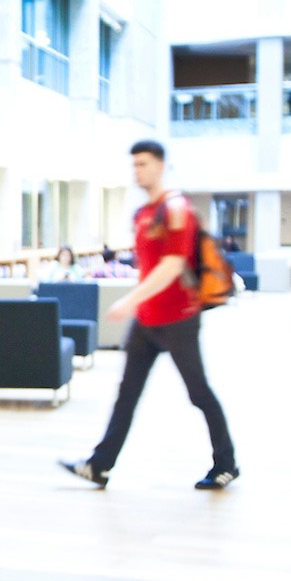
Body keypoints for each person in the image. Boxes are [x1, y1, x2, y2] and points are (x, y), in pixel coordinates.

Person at [60, 139, 239, 491]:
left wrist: (129, 300)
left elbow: (173, 265)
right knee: (127, 393)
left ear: (160, 165)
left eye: (143, 164)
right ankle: (100, 465)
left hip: (179, 318)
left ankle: (227, 463)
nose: (137, 171)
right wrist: (138, 303)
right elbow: (150, 266)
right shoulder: (142, 215)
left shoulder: (176, 209)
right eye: (134, 164)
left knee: (198, 392)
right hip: (147, 320)